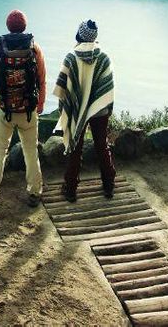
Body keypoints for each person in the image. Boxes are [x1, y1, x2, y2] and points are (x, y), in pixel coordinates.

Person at [0, 9, 47, 211]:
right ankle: (34, 192)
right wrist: (40, 103)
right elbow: (41, 79)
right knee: (31, 151)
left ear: (8, 26)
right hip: (28, 110)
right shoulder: (34, 48)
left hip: (4, 109)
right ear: (24, 26)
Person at [53, 19, 115, 202]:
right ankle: (109, 185)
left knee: (75, 147)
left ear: (79, 34)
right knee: (102, 145)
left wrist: (64, 108)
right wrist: (107, 108)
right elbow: (108, 87)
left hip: (76, 109)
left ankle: (71, 189)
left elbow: (62, 88)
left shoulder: (71, 57)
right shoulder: (104, 57)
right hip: (99, 109)